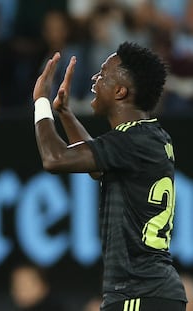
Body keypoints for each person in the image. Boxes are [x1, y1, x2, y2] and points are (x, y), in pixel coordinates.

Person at [32, 41, 187, 310]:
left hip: (138, 293)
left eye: (103, 74)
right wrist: (65, 114)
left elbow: (53, 158)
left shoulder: (132, 140)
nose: (94, 78)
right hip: (151, 293)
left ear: (120, 91)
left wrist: (41, 102)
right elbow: (97, 167)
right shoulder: (149, 136)